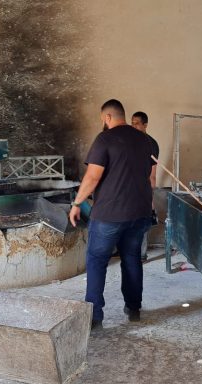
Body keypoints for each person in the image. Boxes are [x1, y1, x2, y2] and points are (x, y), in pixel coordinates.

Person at [69, 99, 154, 329]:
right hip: (139, 212)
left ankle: (95, 316)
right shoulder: (145, 140)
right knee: (132, 258)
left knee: (96, 260)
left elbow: (92, 177)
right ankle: (134, 308)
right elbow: (147, 174)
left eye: (103, 119)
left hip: (110, 214)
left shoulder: (104, 139)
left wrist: (77, 203)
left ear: (108, 117)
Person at [131, 111, 160, 262]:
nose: (133, 126)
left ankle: (141, 254)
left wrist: (151, 196)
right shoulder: (129, 141)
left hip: (143, 188)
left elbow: (152, 174)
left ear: (145, 125)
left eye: (137, 123)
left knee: (142, 219)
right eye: (132, 123)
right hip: (128, 186)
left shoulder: (151, 144)